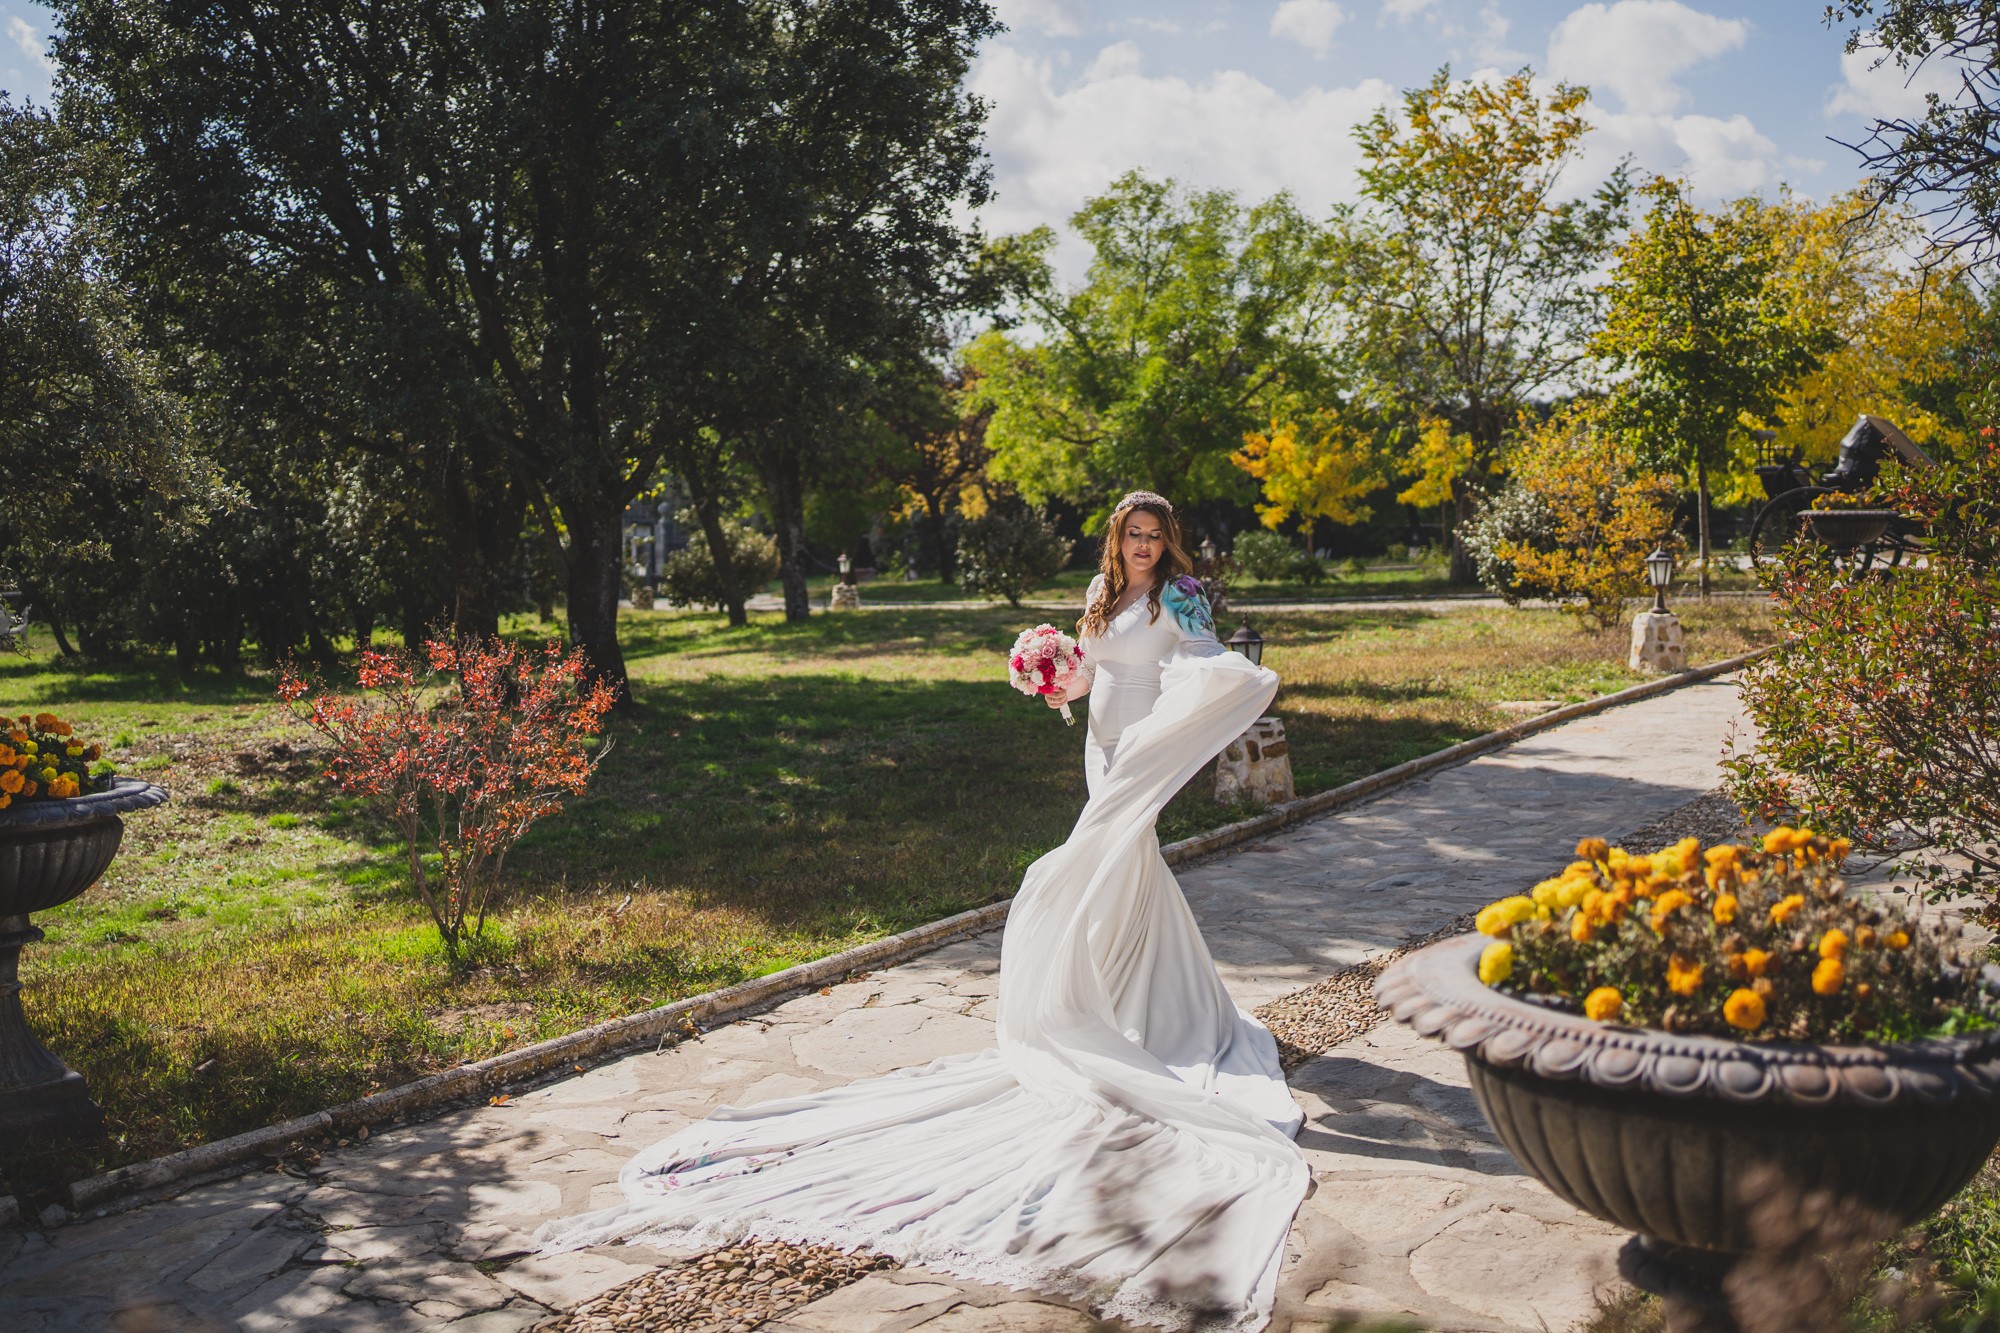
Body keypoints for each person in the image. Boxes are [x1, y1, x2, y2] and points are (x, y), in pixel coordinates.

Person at [537, 491, 1309, 1329]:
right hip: (1099, 744)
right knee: (1119, 870)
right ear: (1115, 538)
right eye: (1134, 535)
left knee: (1095, 865)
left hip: (1142, 751)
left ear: (1171, 541)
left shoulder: (1180, 595)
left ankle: (1149, 1008)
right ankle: (1141, 1000)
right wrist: (1054, 675)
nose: (1146, 547)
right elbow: (1099, 673)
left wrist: (1183, 703)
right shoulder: (1100, 593)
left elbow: (1200, 659)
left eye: (1157, 536)